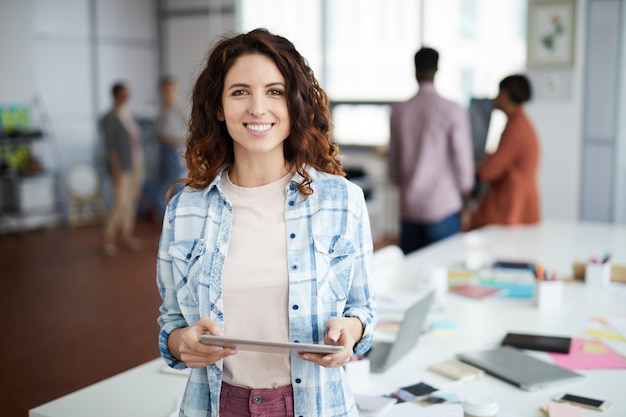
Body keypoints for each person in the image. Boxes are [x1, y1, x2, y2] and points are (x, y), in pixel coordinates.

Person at [156, 28, 376, 417]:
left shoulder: (342, 201)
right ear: (219, 108)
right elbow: (172, 323)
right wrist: (180, 344)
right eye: (240, 92)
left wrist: (351, 333)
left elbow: (363, 311)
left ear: (294, 104)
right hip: (216, 404)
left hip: (317, 405)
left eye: (274, 92)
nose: (258, 108)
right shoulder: (185, 209)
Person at [387, 47, 475, 254]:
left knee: (410, 279)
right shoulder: (453, 110)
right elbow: (464, 165)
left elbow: (393, 165)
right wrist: (466, 204)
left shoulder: (399, 111)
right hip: (443, 207)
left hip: (409, 207)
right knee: (443, 275)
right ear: (437, 70)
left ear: (414, 70)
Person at [467, 74, 540, 230]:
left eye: (498, 93)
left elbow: (489, 171)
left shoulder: (516, 129)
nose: (495, 98)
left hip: (510, 206)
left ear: (505, 93)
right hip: (520, 203)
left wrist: (477, 165)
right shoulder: (521, 123)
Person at [100, 81, 144, 256]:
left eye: (128, 93)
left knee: (131, 202)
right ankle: (108, 240)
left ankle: (126, 236)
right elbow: (110, 148)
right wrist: (115, 170)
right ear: (116, 95)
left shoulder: (127, 114)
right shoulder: (110, 118)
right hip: (122, 166)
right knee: (120, 203)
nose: (127, 96)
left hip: (136, 163)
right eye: (124, 93)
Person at [153, 75, 187, 220]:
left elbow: (191, 129)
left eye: (170, 89)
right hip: (164, 150)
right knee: (162, 184)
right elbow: (158, 133)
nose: (167, 92)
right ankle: (166, 215)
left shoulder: (181, 108)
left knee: (176, 183)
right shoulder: (161, 109)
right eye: (164, 90)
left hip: (176, 150)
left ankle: (174, 215)